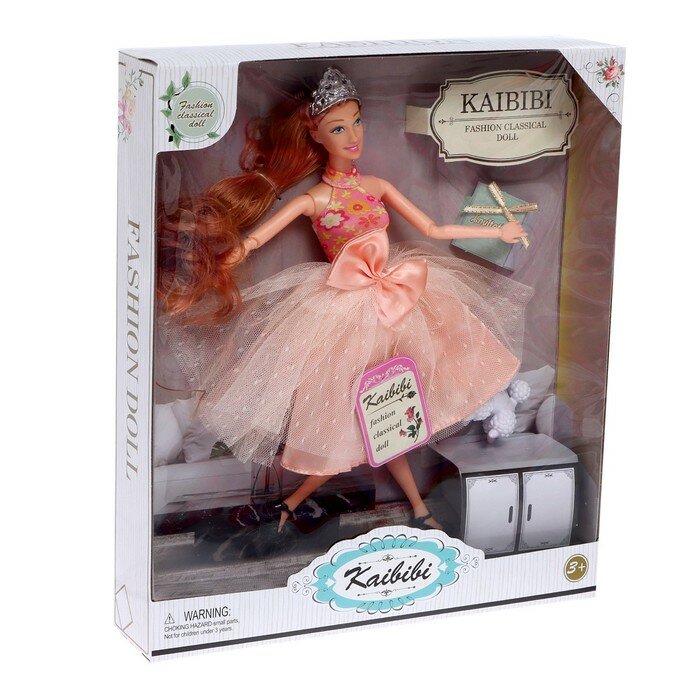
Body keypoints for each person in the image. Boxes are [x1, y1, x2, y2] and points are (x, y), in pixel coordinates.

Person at [158, 68, 531, 533]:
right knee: (362, 418)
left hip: (402, 300)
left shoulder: (376, 186)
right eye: (338, 128)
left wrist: (497, 231)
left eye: (357, 122)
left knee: (391, 411)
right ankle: (342, 504)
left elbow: (433, 228)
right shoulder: (312, 200)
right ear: (314, 135)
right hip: (345, 316)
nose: (353, 137)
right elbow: (253, 242)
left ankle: (392, 507)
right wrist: (217, 263)